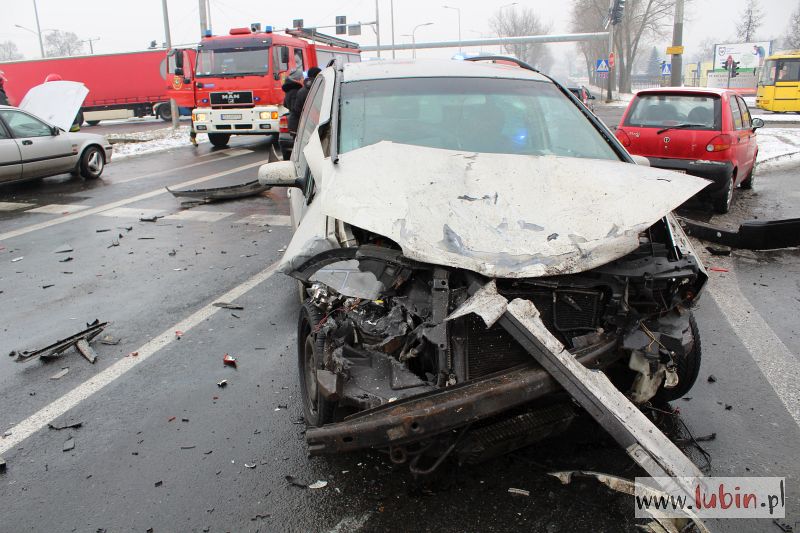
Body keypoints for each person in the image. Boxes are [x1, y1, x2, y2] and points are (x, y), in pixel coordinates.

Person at [282, 68, 304, 134]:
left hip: (292, 122)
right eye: (302, 77)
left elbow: (285, 104)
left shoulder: (289, 90)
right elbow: (296, 108)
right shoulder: (296, 90)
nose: (303, 79)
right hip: (297, 123)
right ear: (297, 79)